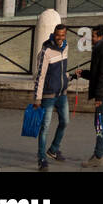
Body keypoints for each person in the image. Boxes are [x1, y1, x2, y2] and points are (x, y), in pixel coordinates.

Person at [71, 26, 103, 167]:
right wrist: (83, 73)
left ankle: (98, 155)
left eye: (93, 36)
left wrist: (98, 97)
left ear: (100, 36)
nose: (91, 38)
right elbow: (97, 73)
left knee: (99, 124)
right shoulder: (100, 49)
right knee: (101, 124)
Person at [32, 23, 71, 169]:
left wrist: (68, 78)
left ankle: (53, 149)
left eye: (63, 35)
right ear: (54, 34)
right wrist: (37, 98)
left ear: (65, 35)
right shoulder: (46, 51)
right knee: (45, 127)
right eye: (58, 35)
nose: (60, 38)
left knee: (65, 121)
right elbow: (40, 76)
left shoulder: (66, 47)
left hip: (62, 93)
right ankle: (41, 158)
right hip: (48, 94)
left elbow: (63, 70)